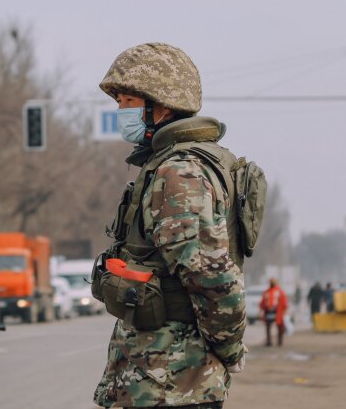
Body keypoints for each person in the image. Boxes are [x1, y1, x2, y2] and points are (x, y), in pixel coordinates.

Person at [92, 43, 248, 409]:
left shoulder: (178, 172)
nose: (119, 112)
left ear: (160, 106)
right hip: (163, 375)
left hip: (171, 380)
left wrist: (227, 350)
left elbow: (211, 276)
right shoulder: (174, 164)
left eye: (127, 102)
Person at [259, 278, 288, 347]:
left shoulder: (280, 292)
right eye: (271, 282)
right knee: (268, 326)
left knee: (280, 327)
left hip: (277, 311)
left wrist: (284, 311)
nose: (272, 283)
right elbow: (263, 302)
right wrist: (262, 309)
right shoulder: (266, 292)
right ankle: (269, 341)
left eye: (273, 282)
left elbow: (284, 302)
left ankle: (280, 342)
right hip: (268, 311)